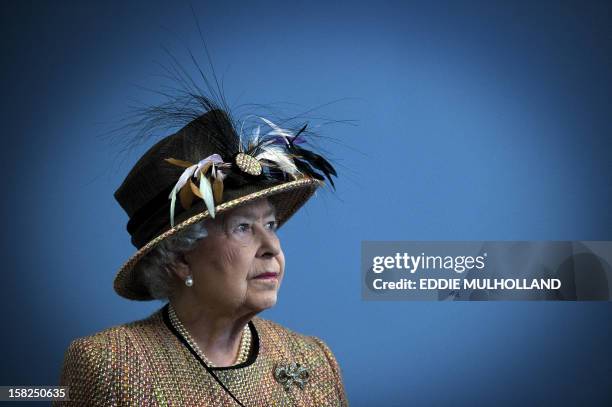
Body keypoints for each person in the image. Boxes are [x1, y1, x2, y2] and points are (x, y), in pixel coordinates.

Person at [55, 104, 347, 406]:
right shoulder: (109, 365)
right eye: (243, 228)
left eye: (270, 225)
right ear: (181, 258)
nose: (272, 247)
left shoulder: (314, 360)